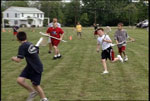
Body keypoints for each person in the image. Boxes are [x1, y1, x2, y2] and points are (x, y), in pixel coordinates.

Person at [11, 31, 48, 101]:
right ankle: (32, 92)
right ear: (26, 37)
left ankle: (44, 99)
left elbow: (18, 60)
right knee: (20, 80)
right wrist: (36, 47)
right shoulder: (29, 43)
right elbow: (37, 52)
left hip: (36, 67)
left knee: (35, 85)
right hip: (30, 66)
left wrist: (13, 58)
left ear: (17, 39)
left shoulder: (22, 46)